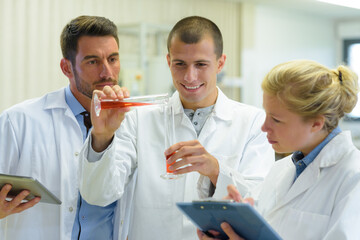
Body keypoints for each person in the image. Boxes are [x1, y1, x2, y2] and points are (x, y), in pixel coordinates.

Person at [79, 16, 274, 239]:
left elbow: (260, 202)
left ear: (220, 63)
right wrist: (102, 136)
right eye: (180, 64)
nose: (190, 76)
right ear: (168, 60)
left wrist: (216, 171)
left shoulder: (252, 123)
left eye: (201, 64)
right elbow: (98, 195)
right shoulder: (137, 120)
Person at [0, 15, 133, 240]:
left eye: (112, 59)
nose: (107, 73)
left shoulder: (131, 122)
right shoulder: (18, 121)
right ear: (66, 67)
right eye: (93, 61)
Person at [197, 59, 360, 240]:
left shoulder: (353, 177)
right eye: (266, 114)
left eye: (276, 119)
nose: (264, 127)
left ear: (316, 123)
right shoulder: (281, 169)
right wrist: (229, 227)